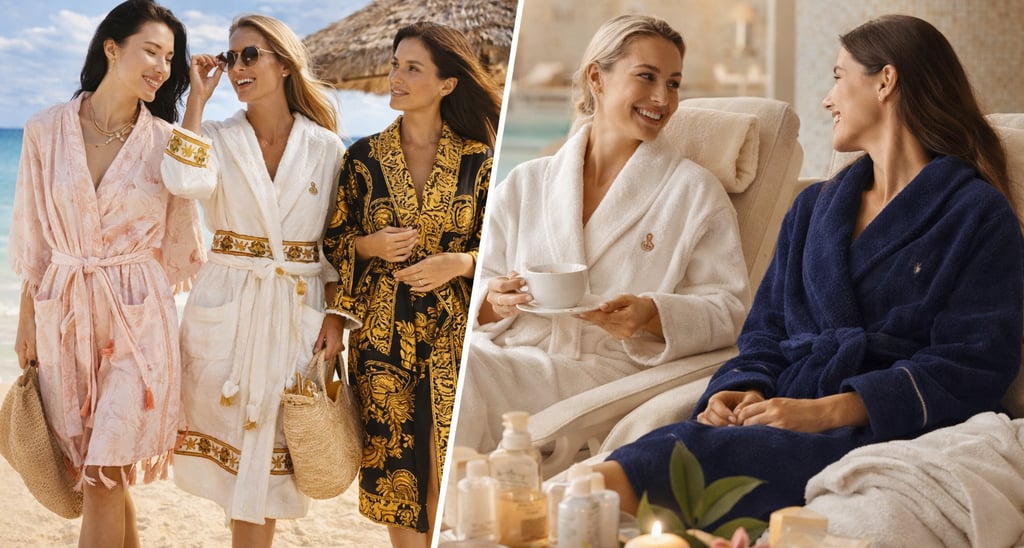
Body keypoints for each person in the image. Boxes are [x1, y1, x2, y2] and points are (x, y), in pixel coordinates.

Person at [595, 14, 1023, 526]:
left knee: (677, 462)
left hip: (889, 424)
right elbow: (765, 332)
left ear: (886, 81)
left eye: (839, 77)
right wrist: (744, 389)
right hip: (785, 410)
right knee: (664, 447)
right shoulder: (815, 209)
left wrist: (827, 411)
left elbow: (976, 362)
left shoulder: (976, 213)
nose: (827, 98)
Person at [453, 14, 750, 452]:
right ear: (598, 77)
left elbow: (730, 311)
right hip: (510, 355)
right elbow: (478, 286)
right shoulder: (526, 182)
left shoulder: (693, 192)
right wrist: (493, 302)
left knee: (463, 368)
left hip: (603, 379)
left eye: (673, 83)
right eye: (646, 77)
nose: (662, 98)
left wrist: (650, 314)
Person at [9, 1, 202, 546]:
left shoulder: (166, 141)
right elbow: (35, 236)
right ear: (111, 48)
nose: (163, 67)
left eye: (170, 57)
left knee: (103, 477)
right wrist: (27, 320)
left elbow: (187, 219)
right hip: (66, 312)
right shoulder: (44, 130)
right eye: (151, 51)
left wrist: (197, 108)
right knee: (101, 476)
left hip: (138, 320)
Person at [159, 14, 346, 547]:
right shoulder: (217, 136)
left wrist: (335, 318)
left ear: (284, 64)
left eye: (250, 55)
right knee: (241, 465)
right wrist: (196, 99)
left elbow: (336, 243)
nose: (237, 66)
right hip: (230, 308)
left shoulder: (326, 148)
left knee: (269, 463)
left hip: (294, 309)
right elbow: (182, 180)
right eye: (231, 56)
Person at [322, 22, 500, 548]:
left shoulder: (479, 161)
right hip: (382, 336)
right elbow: (332, 244)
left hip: (453, 335)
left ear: (447, 84)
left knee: (447, 466)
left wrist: (461, 263)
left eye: (412, 67)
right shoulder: (362, 159)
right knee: (398, 472)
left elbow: (503, 250)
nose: (396, 76)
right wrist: (370, 246)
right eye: (396, 64)